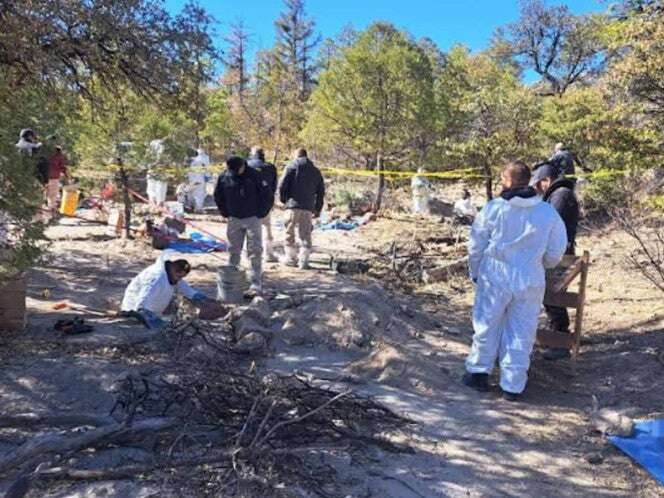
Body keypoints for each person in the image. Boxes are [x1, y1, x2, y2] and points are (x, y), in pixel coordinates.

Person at [464, 161, 568, 401]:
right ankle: (512, 385)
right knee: (522, 330)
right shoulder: (546, 212)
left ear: (508, 181)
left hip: (495, 274)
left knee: (487, 324)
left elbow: (476, 245)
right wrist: (541, 264)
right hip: (529, 277)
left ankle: (478, 373)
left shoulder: (494, 209)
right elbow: (555, 251)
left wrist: (476, 272)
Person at [531, 162, 580, 360]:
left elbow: (553, 225)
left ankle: (560, 342)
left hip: (560, 254)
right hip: (558, 252)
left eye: (539, 184)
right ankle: (556, 337)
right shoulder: (559, 194)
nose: (537, 189)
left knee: (554, 295)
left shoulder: (560, 195)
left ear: (546, 180)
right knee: (552, 296)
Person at [214, 155, 272, 294]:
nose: (235, 173)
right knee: (234, 250)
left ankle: (255, 283)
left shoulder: (255, 176)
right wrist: (225, 212)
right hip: (234, 218)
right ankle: (233, 282)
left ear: (243, 166)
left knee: (255, 251)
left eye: (237, 170)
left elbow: (267, 195)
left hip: (253, 218)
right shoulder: (225, 176)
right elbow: (218, 196)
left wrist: (261, 213)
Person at [121, 253, 207, 329]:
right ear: (173, 270)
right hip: (134, 311)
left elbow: (182, 285)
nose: (179, 280)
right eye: (179, 276)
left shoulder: (171, 274)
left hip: (152, 313)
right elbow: (145, 295)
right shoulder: (155, 278)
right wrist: (142, 311)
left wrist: (195, 295)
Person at [278, 148, 325, 269]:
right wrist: (317, 209)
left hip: (293, 205)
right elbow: (321, 192)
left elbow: (282, 184)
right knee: (305, 234)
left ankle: (290, 258)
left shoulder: (291, 166)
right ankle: (304, 260)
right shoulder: (316, 171)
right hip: (308, 207)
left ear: (296, 155)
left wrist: (283, 199)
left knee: (289, 232)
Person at [247, 146, 278, 262]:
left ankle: (252, 254)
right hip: (265, 203)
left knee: (250, 230)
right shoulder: (270, 167)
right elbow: (274, 186)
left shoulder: (247, 166)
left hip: (249, 203)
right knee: (266, 227)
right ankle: (268, 254)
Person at [45, 146, 68, 215]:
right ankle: (51, 212)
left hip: (43, 178)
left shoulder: (46, 156)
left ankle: (43, 213)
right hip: (53, 178)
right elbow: (62, 168)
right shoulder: (59, 157)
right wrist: (67, 176)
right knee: (52, 196)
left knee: (45, 195)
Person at [146, 139, 168, 206]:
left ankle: (155, 202)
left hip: (154, 169)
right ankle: (157, 202)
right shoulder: (160, 147)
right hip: (157, 169)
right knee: (159, 186)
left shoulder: (152, 148)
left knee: (155, 186)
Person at [188, 148, 210, 213]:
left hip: (191, 179)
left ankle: (190, 206)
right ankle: (198, 208)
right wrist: (208, 176)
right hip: (199, 178)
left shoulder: (190, 160)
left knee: (191, 193)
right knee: (199, 193)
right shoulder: (203, 159)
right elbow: (206, 169)